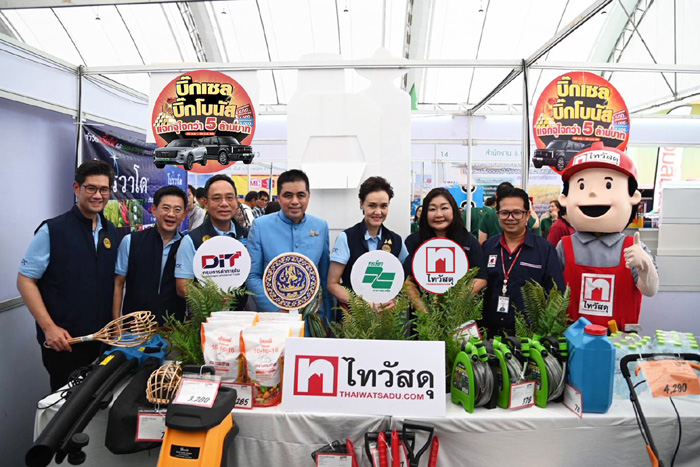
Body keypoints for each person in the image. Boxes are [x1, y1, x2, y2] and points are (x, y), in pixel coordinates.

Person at [18, 160, 120, 391]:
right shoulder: (53, 230)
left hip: (101, 342)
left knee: (98, 401)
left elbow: (114, 282)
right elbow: (25, 280)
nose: (98, 195)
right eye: (91, 188)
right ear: (77, 188)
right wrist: (49, 328)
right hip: (65, 343)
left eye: (104, 189)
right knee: (65, 406)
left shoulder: (111, 231)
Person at [557, 142, 658, 330]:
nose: (593, 193)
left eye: (608, 185)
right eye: (582, 186)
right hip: (573, 337)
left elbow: (650, 290)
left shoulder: (634, 247)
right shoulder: (564, 246)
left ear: (633, 196)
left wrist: (645, 266)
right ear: (565, 198)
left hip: (620, 339)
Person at [246, 169, 332, 325]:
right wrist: (276, 309)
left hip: (312, 320)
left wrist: (327, 320)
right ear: (278, 197)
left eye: (301, 195)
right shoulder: (260, 226)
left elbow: (324, 276)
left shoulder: (321, 226)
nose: (295, 201)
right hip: (274, 321)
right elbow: (252, 276)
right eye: (288, 195)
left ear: (308, 196)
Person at [481, 188, 564, 336]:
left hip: (529, 338)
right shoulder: (488, 247)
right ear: (497, 215)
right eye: (505, 213)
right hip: (490, 336)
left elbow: (556, 294)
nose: (510, 218)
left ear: (527, 216)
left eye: (517, 212)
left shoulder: (545, 250)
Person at [328, 176, 409, 308]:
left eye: (384, 206)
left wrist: (396, 300)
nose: (378, 212)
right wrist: (362, 305)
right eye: (372, 206)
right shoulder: (347, 238)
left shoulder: (396, 241)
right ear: (362, 204)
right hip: (353, 315)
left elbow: (407, 280)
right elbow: (332, 284)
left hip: (385, 315)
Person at [403, 188, 488, 311]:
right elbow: (407, 281)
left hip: (458, 315)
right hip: (421, 317)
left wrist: (453, 304)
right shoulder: (414, 241)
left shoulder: (468, 240)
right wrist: (425, 313)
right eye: (432, 209)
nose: (439, 214)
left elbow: (480, 278)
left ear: (454, 210)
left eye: (444, 208)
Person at [113, 186, 187, 325]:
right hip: (134, 328)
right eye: (166, 208)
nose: (171, 214)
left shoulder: (187, 246)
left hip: (174, 330)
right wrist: (116, 324)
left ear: (184, 214)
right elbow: (118, 283)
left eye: (177, 210)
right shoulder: (131, 241)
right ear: (154, 210)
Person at [175, 175, 249, 299]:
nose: (224, 203)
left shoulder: (250, 236)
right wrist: (211, 297)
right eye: (217, 198)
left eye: (229, 198)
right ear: (206, 203)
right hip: (206, 311)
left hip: (245, 310)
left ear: (236, 201)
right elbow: (182, 288)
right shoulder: (191, 241)